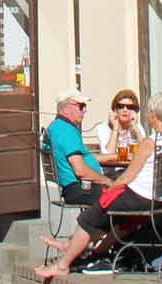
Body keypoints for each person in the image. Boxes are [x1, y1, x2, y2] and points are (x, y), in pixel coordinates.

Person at [38, 92, 162, 280]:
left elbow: (129, 176)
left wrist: (112, 185)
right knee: (116, 213)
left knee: (90, 217)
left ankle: (63, 264)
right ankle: (98, 252)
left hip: (139, 197)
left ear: (153, 114)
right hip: (160, 200)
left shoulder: (149, 143)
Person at [39, 89, 112, 275]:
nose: (84, 111)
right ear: (67, 109)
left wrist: (110, 158)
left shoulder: (57, 128)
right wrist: (106, 180)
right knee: (122, 203)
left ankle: (73, 245)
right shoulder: (66, 131)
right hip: (79, 188)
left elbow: (84, 158)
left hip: (73, 187)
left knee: (119, 198)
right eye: (81, 106)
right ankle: (96, 254)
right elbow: (80, 169)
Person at [95, 88, 146, 159]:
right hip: (112, 169)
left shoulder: (137, 126)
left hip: (133, 168)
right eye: (121, 106)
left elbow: (147, 151)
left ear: (134, 111)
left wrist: (135, 128)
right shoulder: (103, 128)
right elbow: (107, 155)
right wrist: (115, 129)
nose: (125, 110)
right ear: (115, 109)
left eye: (129, 107)